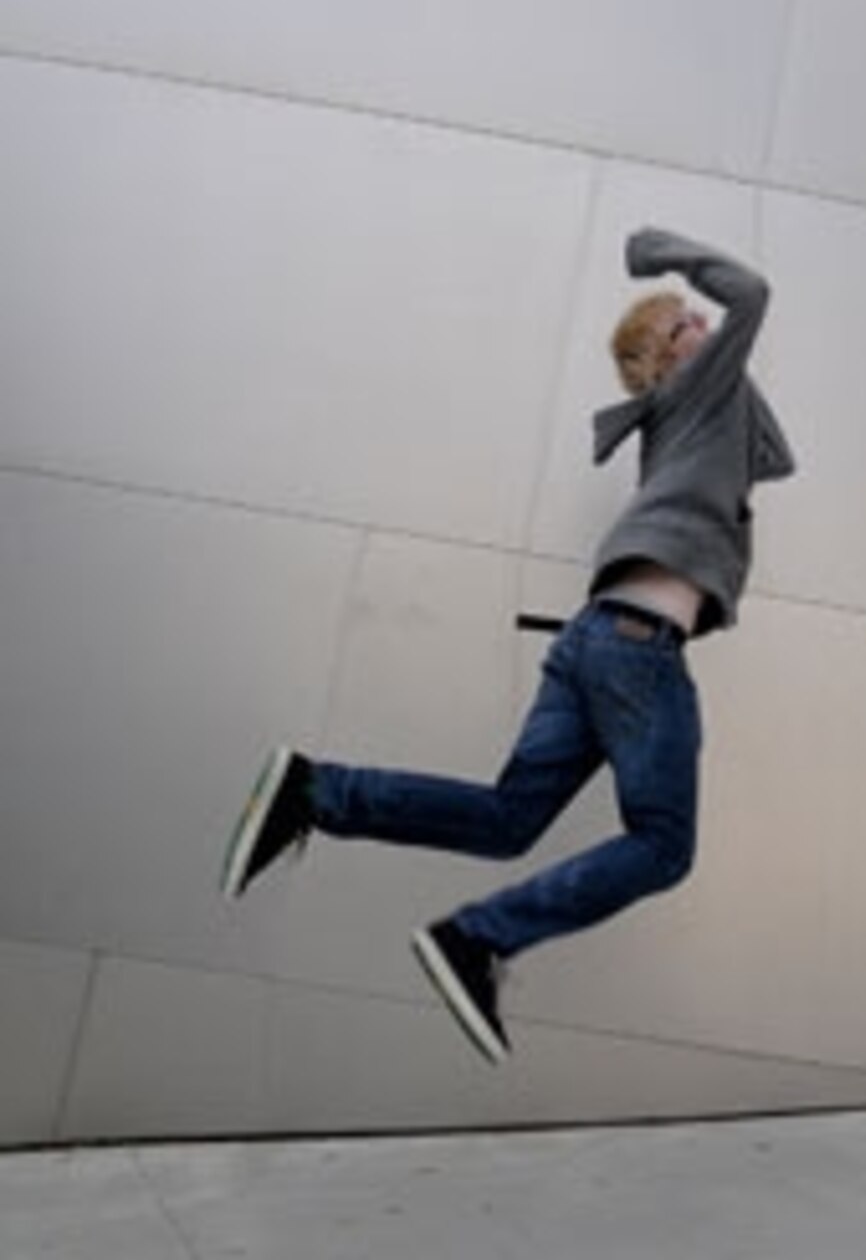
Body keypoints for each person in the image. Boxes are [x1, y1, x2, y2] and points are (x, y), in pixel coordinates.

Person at [220, 227, 794, 1061]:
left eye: (700, 320)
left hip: (595, 641)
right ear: (666, 363)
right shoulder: (692, 394)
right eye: (686, 324)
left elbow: (772, 456)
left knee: (507, 819)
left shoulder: (706, 410)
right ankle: (477, 938)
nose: (706, 324)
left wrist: (704, 341)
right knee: (664, 846)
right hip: (637, 650)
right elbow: (752, 292)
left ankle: (315, 792)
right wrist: (663, 256)